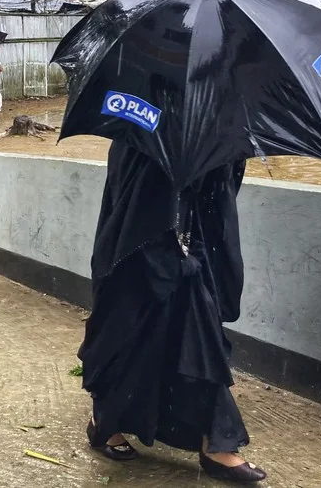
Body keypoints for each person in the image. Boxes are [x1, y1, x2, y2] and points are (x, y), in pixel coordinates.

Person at [78, 142, 267, 484]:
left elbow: (220, 191)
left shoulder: (214, 117)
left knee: (194, 336)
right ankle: (104, 422)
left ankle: (214, 441)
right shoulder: (146, 121)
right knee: (130, 334)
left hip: (193, 248)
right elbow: (134, 195)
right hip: (141, 250)